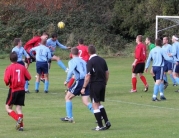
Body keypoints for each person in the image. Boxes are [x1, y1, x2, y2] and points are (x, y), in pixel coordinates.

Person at [81, 45, 111, 131]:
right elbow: (107, 73)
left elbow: (87, 76)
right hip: (102, 84)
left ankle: (100, 125)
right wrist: (105, 82)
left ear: (88, 52)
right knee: (99, 103)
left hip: (95, 84)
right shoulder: (102, 60)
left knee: (94, 105)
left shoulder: (90, 62)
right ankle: (107, 121)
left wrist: (83, 87)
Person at [60, 47, 93, 122]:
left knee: (67, 97)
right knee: (85, 101)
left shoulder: (72, 61)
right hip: (87, 81)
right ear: (78, 53)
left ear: (71, 54)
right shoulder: (83, 61)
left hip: (80, 81)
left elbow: (70, 71)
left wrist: (67, 80)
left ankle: (69, 117)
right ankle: (98, 114)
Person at [4, 52, 31, 131]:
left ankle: (18, 119)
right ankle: (21, 127)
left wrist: (8, 83)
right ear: (17, 59)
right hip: (22, 90)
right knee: (19, 108)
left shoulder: (9, 68)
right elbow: (29, 77)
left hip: (14, 89)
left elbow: (6, 80)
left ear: (10, 59)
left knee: (8, 107)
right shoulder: (22, 67)